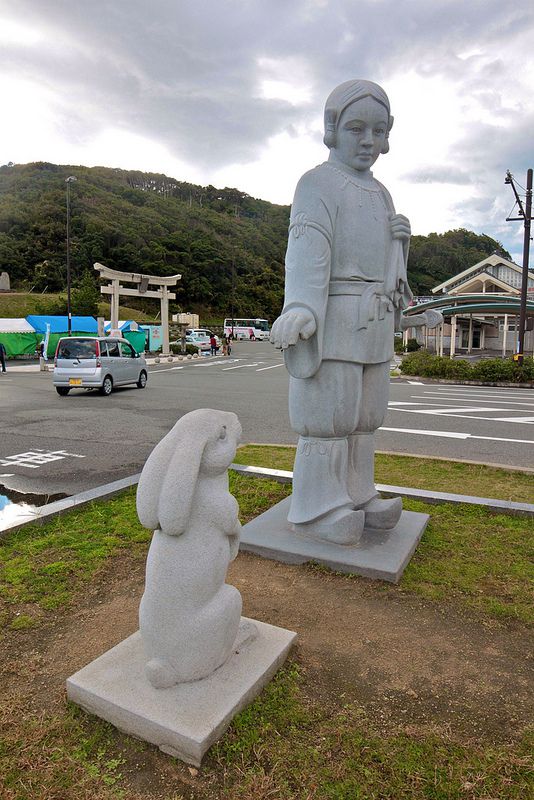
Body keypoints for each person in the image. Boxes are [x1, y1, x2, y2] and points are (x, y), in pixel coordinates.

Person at [271, 79, 441, 545]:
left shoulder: (382, 193)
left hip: (376, 318)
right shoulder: (318, 183)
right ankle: (317, 506)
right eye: (356, 128)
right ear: (333, 128)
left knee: (367, 416)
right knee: (330, 415)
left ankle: (358, 492)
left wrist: (407, 302)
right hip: (336, 312)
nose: (368, 140)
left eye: (378, 130)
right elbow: (308, 250)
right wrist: (302, 307)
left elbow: (390, 271)